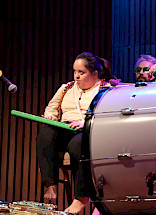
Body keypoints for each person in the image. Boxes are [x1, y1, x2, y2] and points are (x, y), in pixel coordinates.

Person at [36, 52, 115, 214]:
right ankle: (49, 184)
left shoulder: (105, 90)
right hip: (64, 129)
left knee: (78, 145)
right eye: (75, 72)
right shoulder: (66, 88)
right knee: (45, 135)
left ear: (95, 74)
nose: (76, 76)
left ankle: (81, 198)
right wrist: (50, 115)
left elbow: (108, 115)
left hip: (87, 132)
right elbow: (52, 107)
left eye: (81, 72)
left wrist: (85, 123)